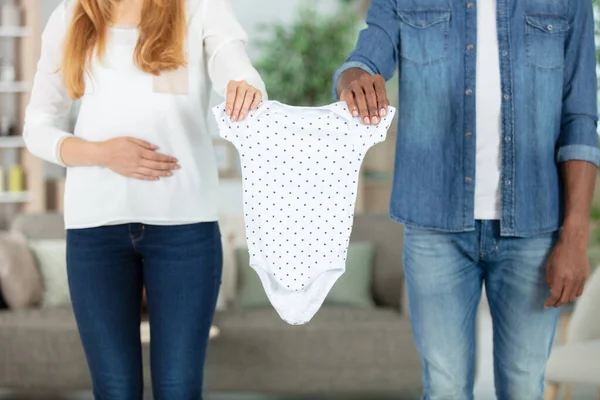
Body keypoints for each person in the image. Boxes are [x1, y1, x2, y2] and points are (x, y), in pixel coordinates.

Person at [334, 1, 599, 399]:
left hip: (533, 225)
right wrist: (354, 79)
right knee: (444, 389)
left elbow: (579, 117)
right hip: (433, 224)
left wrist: (575, 235)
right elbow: (366, 56)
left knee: (525, 388)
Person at [23, 0, 265, 398]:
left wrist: (245, 84)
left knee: (179, 389)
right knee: (114, 389)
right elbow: (37, 126)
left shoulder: (200, 7)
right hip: (95, 230)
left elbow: (231, 60)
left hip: (185, 229)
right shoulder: (71, 16)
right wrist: (102, 153)